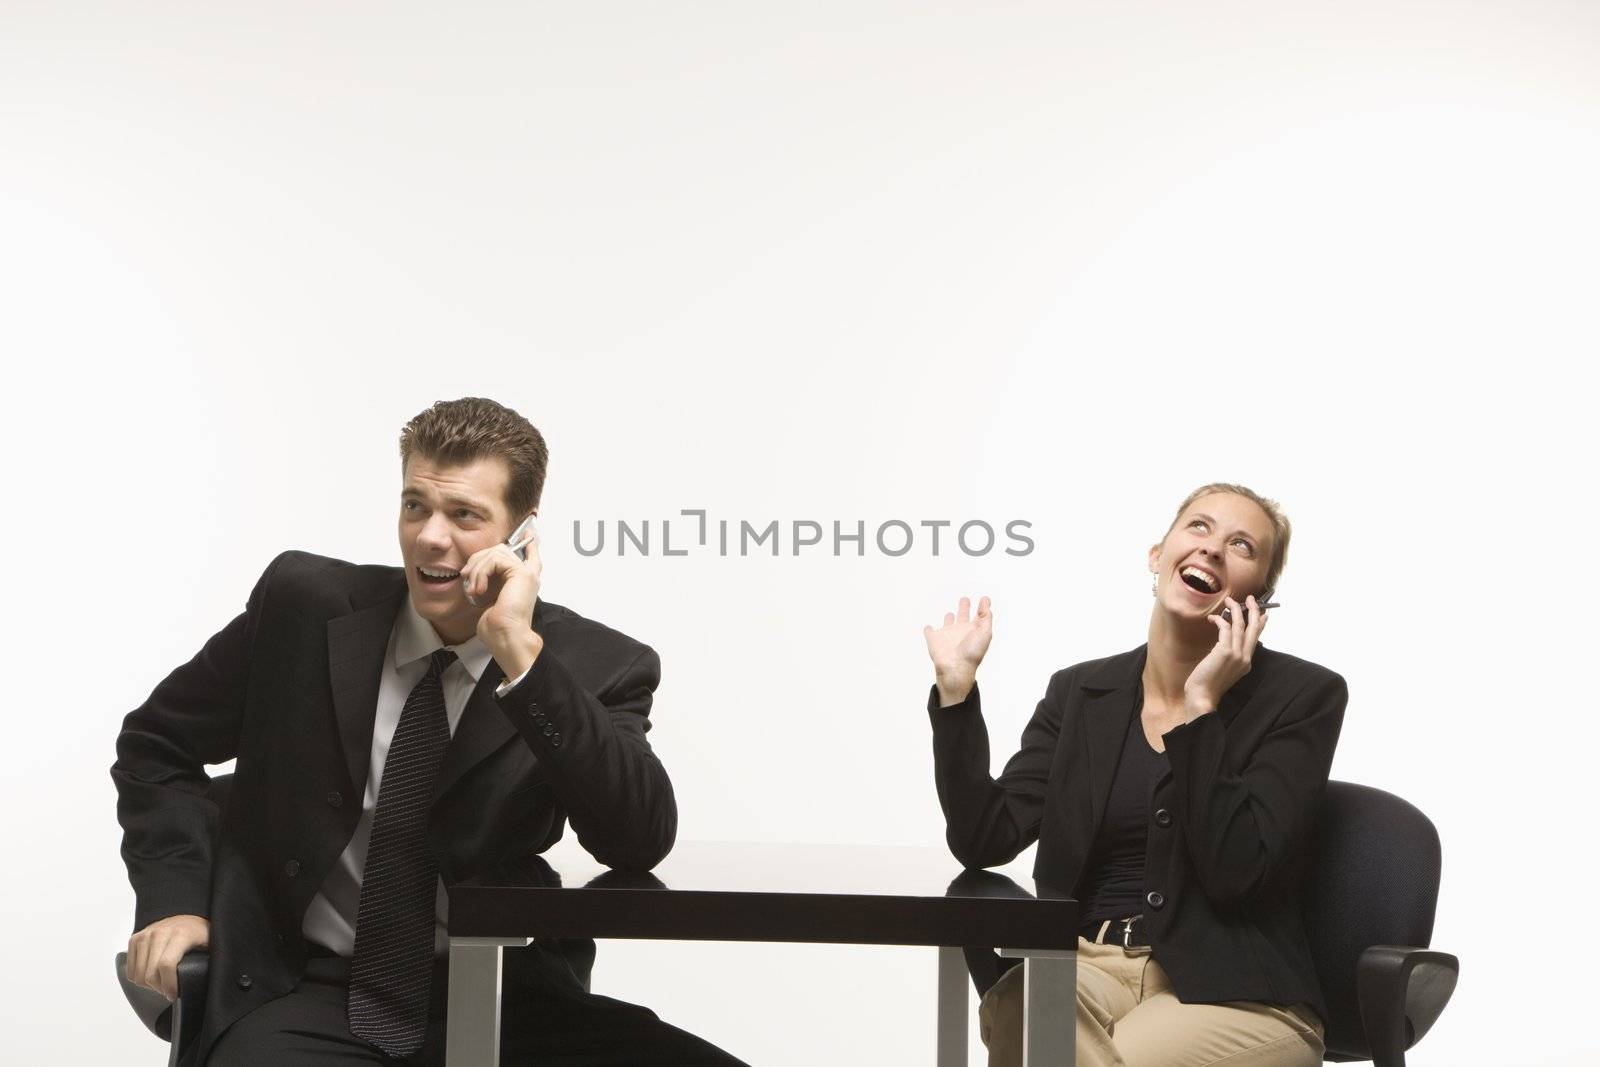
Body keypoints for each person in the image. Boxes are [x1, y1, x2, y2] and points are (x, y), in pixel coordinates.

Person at [113, 397, 744, 1066]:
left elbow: (637, 838)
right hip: (303, 991)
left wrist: (519, 656)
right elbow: (157, 743)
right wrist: (174, 901)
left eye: (465, 515)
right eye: (416, 506)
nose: (430, 537)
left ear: (523, 536)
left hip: (506, 995)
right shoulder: (301, 605)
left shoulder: (596, 668)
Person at [923, 484, 1345, 1067]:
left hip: (1234, 994)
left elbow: (1237, 874)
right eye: (1198, 527)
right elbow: (984, 838)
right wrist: (956, 695)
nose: (1214, 549)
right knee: (1027, 1004)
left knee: (1060, 1055)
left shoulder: (1304, 697)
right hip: (1085, 968)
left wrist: (1201, 708)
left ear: (1260, 601)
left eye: (1241, 545)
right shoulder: (1079, 693)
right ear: (1157, 555)